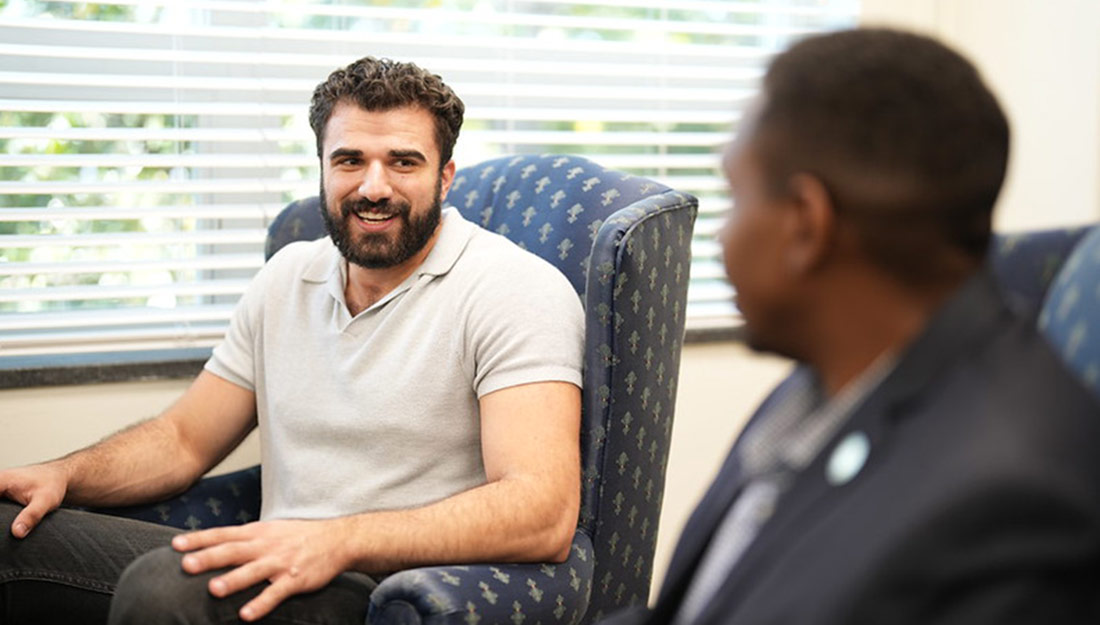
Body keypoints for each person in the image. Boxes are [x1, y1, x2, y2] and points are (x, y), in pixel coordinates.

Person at [0, 57, 585, 624]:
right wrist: (65, 474)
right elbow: (182, 440)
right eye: (350, 160)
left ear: (445, 176)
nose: (373, 187)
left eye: (403, 162)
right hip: (272, 557)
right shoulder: (287, 276)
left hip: (387, 586)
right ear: (323, 169)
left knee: (166, 592)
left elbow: (542, 511)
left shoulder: (515, 289)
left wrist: (336, 541)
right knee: (8, 529)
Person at [601, 27, 1100, 625]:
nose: (722, 238)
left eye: (737, 198)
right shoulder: (821, 385)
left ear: (808, 225)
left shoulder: (1013, 502)